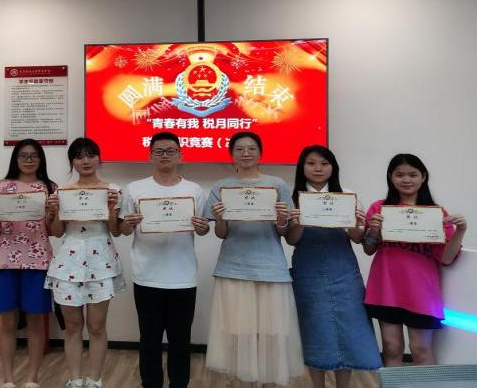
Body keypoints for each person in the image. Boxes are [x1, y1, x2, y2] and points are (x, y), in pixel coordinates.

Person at [205, 131, 304, 387]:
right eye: (239, 149)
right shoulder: (220, 187)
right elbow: (221, 233)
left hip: (271, 268)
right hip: (233, 267)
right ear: (231, 154)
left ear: (260, 153)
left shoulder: (276, 184)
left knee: (271, 334)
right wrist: (220, 218)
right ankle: (245, 382)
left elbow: (284, 232)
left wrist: (282, 220)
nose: (246, 153)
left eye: (251, 148)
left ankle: (268, 383)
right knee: (239, 333)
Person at [118, 131, 210, 388]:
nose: (165, 155)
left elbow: (203, 229)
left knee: (181, 340)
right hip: (146, 275)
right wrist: (127, 224)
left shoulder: (194, 190)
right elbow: (123, 230)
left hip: (183, 276)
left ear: (180, 155)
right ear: (150, 156)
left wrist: (203, 227)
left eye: (171, 151)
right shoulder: (135, 189)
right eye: (159, 151)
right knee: (149, 339)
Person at [285, 145, 381, 388]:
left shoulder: (346, 195)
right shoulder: (292, 197)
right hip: (308, 270)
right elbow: (291, 240)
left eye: (324, 163)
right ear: (302, 168)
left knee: (349, 328)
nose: (318, 168)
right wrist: (300, 220)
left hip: (344, 270)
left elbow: (357, 238)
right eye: (311, 163)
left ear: (333, 167)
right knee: (314, 327)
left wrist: (356, 223)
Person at [363, 153, 467, 366]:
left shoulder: (436, 213)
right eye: (399, 175)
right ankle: (395, 383)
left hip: (422, 293)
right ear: (390, 177)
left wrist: (461, 230)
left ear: (423, 177)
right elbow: (368, 248)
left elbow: (447, 258)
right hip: (386, 288)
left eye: (412, 174)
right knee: (391, 347)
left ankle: (425, 382)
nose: (406, 180)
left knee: (421, 349)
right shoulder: (379, 208)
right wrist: (373, 230)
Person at [45, 137, 125, 388]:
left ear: (99, 159)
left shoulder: (113, 190)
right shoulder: (62, 192)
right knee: (72, 326)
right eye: (79, 157)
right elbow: (57, 232)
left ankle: (95, 380)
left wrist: (111, 210)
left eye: (91, 155)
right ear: (72, 162)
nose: (86, 161)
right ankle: (75, 379)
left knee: (97, 326)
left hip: (101, 261)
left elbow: (116, 231)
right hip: (68, 262)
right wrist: (54, 212)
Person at [0, 138, 57, 388]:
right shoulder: (0, 187)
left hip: (38, 261)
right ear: (16, 158)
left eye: (34, 155)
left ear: (41, 159)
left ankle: (32, 378)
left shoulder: (50, 188)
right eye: (23, 155)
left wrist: (53, 214)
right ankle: (8, 380)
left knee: (36, 322)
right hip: (5, 261)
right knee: (7, 323)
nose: (29, 160)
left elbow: (54, 231)